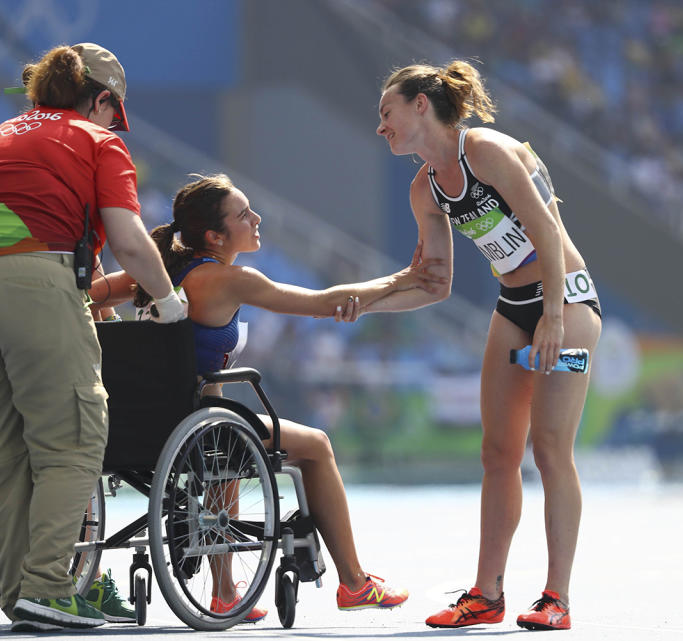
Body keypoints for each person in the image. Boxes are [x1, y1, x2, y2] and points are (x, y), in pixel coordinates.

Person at [92, 173, 446, 619]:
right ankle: (354, 582)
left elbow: (88, 300)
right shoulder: (230, 279)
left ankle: (225, 590)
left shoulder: (153, 272)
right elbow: (322, 302)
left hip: (138, 426)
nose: (257, 218)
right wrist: (403, 277)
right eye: (244, 214)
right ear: (215, 236)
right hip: (196, 427)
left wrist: (106, 314)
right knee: (314, 446)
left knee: (225, 437)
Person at [0, 43, 187, 633]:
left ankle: (22, 594)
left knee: (0, 455)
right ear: (101, 100)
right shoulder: (98, 141)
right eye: (111, 114)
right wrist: (169, 302)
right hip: (32, 287)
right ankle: (47, 587)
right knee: (73, 441)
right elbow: (128, 238)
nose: (112, 125)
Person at [369, 61, 602, 631]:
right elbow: (434, 281)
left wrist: (551, 314)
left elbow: (546, 230)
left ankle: (557, 598)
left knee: (548, 450)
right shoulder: (424, 188)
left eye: (386, 112)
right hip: (512, 310)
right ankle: (487, 594)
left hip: (565, 303)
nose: (380, 128)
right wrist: (362, 300)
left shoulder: (489, 151)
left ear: (421, 104)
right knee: (498, 454)